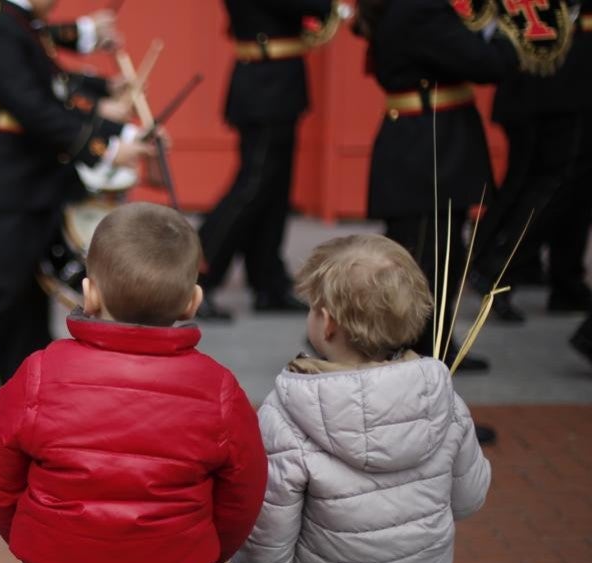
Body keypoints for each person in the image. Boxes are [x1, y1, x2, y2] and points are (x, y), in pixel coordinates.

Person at [0, 202, 311, 563]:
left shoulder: (38, 373)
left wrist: (27, 537)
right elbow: (244, 490)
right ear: (193, 301)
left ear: (88, 294)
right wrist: (213, 550)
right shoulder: (218, 388)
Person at [231, 234, 491, 563]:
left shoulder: (285, 411)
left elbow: (271, 527)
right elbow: (469, 499)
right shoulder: (442, 398)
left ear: (328, 323)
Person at [0, 0, 150, 385]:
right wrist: (105, 145)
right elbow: (34, 106)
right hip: (0, 184)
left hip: (23, 182)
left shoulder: (14, 21)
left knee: (25, 315)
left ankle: (26, 408)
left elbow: (50, 86)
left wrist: (109, 115)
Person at [355, 0, 519, 373]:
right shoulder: (421, 9)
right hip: (429, 149)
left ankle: (435, 343)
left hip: (426, 143)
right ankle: (426, 354)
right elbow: (485, 63)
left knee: (435, 256)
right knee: (429, 261)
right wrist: (506, 30)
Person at [196, 0, 336, 322]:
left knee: (274, 190)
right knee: (253, 187)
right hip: (266, 84)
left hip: (276, 80)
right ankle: (197, 276)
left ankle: (268, 280)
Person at [471, 10, 592, 323]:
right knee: (554, 183)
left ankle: (561, 279)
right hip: (560, 70)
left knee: (561, 183)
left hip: (554, 69)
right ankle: (499, 267)